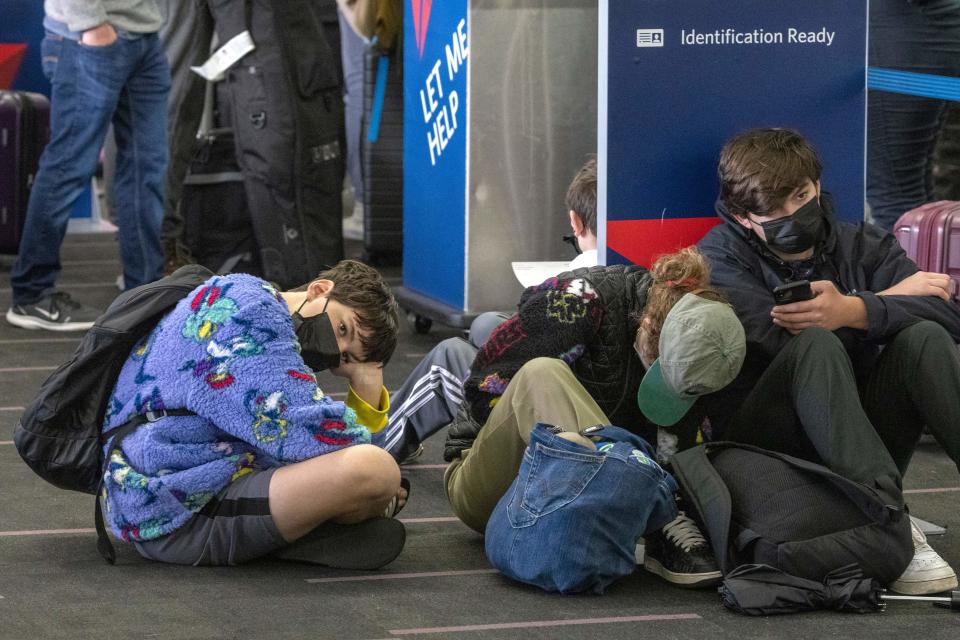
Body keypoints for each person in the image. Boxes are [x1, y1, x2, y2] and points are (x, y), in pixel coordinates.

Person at [698, 127, 960, 595]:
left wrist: (856, 308)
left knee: (923, 337)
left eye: (800, 196)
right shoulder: (720, 256)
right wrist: (881, 304)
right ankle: (891, 525)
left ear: (817, 186)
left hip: (859, 435)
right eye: (772, 211)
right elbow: (779, 339)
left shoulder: (862, 243)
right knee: (815, 346)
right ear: (742, 218)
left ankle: (883, 509)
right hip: (770, 446)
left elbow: (946, 313)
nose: (792, 214)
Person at [444, 248, 747, 588]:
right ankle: (654, 503)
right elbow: (483, 389)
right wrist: (571, 441)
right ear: (645, 325)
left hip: (579, 497)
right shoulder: (577, 300)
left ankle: (648, 502)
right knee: (542, 373)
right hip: (493, 478)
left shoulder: (710, 335)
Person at [100, 259, 408, 567]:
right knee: (376, 472)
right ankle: (311, 530)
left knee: (367, 477)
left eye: (345, 358)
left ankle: (301, 532)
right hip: (174, 512)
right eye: (342, 328)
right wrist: (367, 382)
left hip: (159, 492)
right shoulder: (255, 318)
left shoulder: (248, 297)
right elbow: (328, 442)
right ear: (319, 289)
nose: (335, 348)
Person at [376, 157, 601, 461]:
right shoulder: (649, 271)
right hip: (613, 413)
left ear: (575, 221)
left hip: (558, 433)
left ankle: (374, 448)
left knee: (450, 355)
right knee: (486, 325)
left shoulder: (569, 289)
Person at [7, 1, 171, 331]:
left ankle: (145, 290)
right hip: (89, 36)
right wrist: (90, 23)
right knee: (68, 167)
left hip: (144, 34)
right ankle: (32, 294)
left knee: (148, 168)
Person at [867, 0, 960, 231]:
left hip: (905, 28)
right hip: (919, 27)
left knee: (895, 193)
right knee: (912, 190)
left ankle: (906, 266)